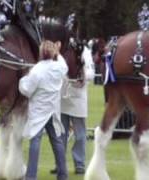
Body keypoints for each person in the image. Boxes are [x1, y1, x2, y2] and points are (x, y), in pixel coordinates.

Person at [19, 40, 68, 180]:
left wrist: (23, 79)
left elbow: (26, 90)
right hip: (52, 110)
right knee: (57, 142)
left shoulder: (36, 70)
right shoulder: (59, 67)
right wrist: (58, 52)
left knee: (35, 142)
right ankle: (63, 175)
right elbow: (64, 65)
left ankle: (31, 176)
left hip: (39, 111)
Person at [52, 44, 95, 175]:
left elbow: (91, 72)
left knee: (80, 134)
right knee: (60, 133)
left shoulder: (84, 50)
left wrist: (83, 76)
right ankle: (60, 163)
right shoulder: (59, 50)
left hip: (78, 97)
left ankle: (80, 163)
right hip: (62, 96)